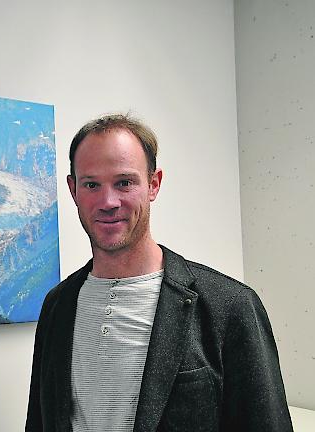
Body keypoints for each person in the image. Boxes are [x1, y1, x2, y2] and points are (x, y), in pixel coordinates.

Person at [25, 114, 292, 432]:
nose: (108, 202)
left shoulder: (230, 306)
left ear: (153, 184)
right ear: (73, 190)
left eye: (124, 182)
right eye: (92, 184)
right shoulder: (58, 304)